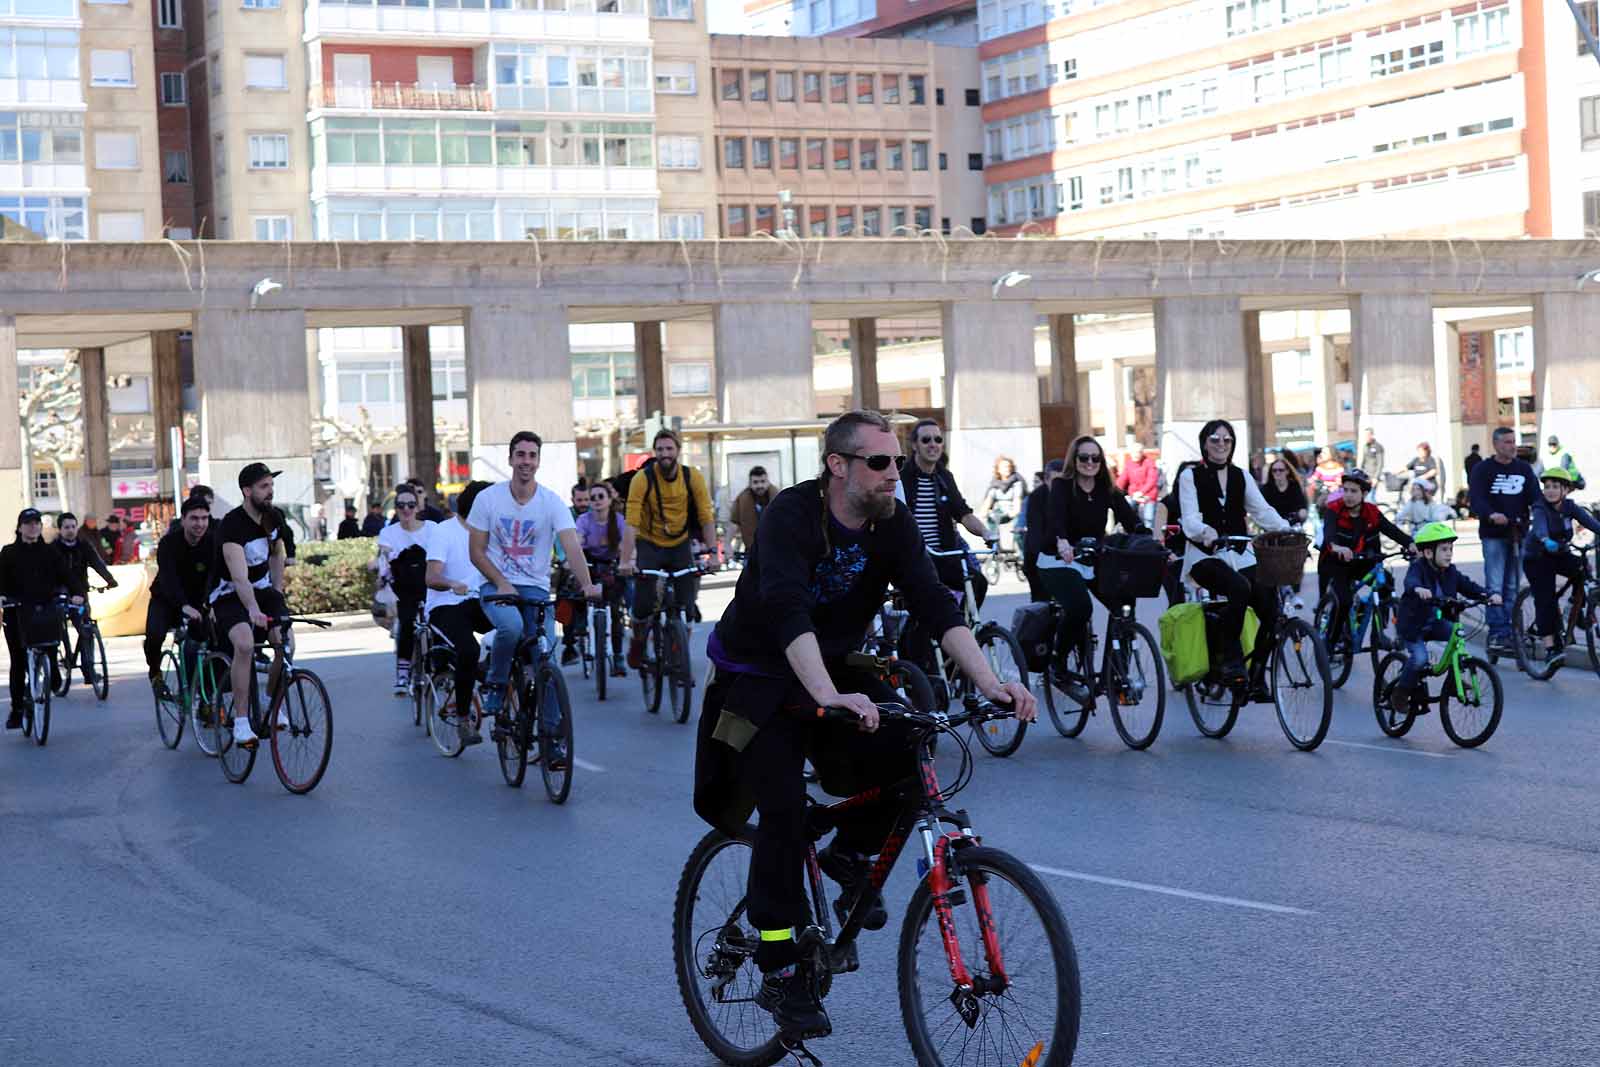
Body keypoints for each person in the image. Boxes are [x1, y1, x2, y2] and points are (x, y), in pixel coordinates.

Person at [693, 409, 1036, 1039]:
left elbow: (935, 601)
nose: (893, 475)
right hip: (761, 672)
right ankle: (779, 966)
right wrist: (827, 696)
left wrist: (993, 682)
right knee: (784, 811)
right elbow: (788, 610)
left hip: (834, 664)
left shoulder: (891, 522)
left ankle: (849, 856)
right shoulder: (792, 518)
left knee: (911, 748)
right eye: (880, 463)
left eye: (897, 463)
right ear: (838, 466)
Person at [467, 431, 600, 737]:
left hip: (536, 589)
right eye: (521, 455)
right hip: (494, 585)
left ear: (538, 461)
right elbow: (475, 552)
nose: (526, 461)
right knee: (511, 629)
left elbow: (572, 547)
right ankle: (496, 688)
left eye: (532, 455)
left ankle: (553, 741)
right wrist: (500, 581)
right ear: (510, 459)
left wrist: (587, 584)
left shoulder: (551, 502)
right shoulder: (488, 499)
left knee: (546, 660)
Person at [1177, 419, 1294, 693]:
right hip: (1204, 557)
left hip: (1240, 554)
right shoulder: (1189, 476)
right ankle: (1230, 659)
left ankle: (1257, 674)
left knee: (1271, 607)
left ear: (1233, 444)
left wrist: (1288, 530)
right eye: (1215, 439)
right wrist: (1205, 531)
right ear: (1204, 443)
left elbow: (1262, 511)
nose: (1221, 444)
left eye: (1227, 439)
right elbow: (1189, 519)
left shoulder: (1241, 475)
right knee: (1240, 588)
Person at [1036, 435, 1147, 704]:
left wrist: (1150, 543)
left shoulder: (1106, 488)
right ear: (1074, 460)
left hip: (1092, 559)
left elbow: (1130, 520)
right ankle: (1057, 664)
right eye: (1083, 457)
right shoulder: (1062, 486)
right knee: (1080, 608)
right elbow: (1056, 519)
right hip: (1058, 560)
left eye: (1095, 458)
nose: (1090, 463)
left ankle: (1117, 672)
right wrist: (1062, 541)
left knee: (1124, 605)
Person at [209, 463, 291, 749]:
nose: (270, 491)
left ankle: (270, 702)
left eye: (271, 485)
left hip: (262, 588)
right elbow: (239, 576)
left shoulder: (274, 517)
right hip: (229, 593)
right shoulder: (231, 525)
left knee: (286, 643)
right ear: (247, 491)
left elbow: (277, 553)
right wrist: (254, 609)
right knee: (244, 644)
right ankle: (242, 723)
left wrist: (277, 593)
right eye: (263, 486)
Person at [620, 428, 716, 670]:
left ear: (678, 451)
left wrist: (714, 553)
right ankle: (639, 641)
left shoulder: (691, 476)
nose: (664, 454)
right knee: (643, 603)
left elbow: (706, 516)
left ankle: (678, 654)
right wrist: (625, 560)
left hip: (679, 544)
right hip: (648, 542)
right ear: (655, 452)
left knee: (687, 601)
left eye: (669, 449)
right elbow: (631, 520)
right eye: (660, 449)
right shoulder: (642, 479)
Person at [1389, 522, 1498, 711]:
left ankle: (1455, 681)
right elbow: (1410, 581)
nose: (1449, 553)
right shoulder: (1418, 568)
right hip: (1413, 626)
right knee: (1420, 659)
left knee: (1456, 635)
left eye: (1450, 549)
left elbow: (1468, 586)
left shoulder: (1451, 571)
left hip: (1435, 623)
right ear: (1429, 553)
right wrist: (1418, 588)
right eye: (1444, 549)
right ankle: (1400, 693)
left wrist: (1487, 595)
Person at [424, 480, 494, 745]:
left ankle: (493, 679)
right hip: (446, 605)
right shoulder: (444, 532)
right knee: (468, 650)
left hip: (480, 601)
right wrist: (453, 584)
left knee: (515, 632)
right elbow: (431, 577)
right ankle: (464, 719)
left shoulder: (490, 533)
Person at [1314, 470, 1412, 651]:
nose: (1348, 495)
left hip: (1362, 561)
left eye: (1354, 491)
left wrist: (1411, 544)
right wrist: (1337, 548)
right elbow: (1329, 535)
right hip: (1337, 563)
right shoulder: (1333, 510)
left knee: (1386, 584)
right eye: (1346, 490)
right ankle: (1331, 642)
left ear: (1364, 494)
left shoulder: (1372, 512)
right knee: (1344, 600)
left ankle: (1378, 633)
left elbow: (1392, 531)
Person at [1468, 426, 1539, 656]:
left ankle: (1511, 631)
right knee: (1495, 585)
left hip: (1518, 533)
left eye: (1513, 441)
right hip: (1494, 536)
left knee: (1512, 586)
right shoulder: (1483, 470)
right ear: (1497, 445)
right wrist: (1491, 515)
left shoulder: (1524, 469)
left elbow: (1535, 498)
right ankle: (1497, 632)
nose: (1512, 446)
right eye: (1507, 442)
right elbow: (1476, 500)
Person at [1521, 467, 1600, 668]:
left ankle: (1576, 606)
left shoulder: (1570, 506)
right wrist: (1546, 539)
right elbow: (1539, 527)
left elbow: (1591, 523)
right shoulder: (1540, 506)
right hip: (1537, 557)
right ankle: (1550, 648)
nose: (1550, 490)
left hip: (1559, 553)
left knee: (1583, 568)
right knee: (1545, 599)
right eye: (1547, 486)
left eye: (1556, 486)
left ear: (1565, 490)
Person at [1, 508, 72, 728]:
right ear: (20, 527)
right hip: (17, 611)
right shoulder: (8, 552)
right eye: (28, 523)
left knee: (51, 641)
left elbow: (65, 574)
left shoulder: (50, 552)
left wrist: (76, 592)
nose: (33, 527)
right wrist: (3, 595)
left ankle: (53, 673)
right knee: (18, 660)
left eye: (36, 523)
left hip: (45, 608)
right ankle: (17, 709)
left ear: (41, 527)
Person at [144, 496, 213, 697]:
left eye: (204, 518)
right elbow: (168, 578)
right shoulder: (169, 543)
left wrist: (209, 603)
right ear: (183, 520)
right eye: (194, 518)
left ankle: (202, 695)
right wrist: (183, 605)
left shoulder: (212, 542)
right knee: (154, 635)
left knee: (205, 644)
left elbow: (214, 576)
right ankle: (155, 673)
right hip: (165, 599)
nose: (200, 524)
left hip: (197, 601)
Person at [376, 484, 437, 696]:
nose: (406, 509)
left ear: (418, 506)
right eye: (401, 505)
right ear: (396, 508)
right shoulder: (388, 533)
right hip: (404, 587)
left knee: (439, 624)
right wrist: (382, 575)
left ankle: (438, 667)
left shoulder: (432, 529)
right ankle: (403, 674)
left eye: (411, 505)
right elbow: (384, 559)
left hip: (431, 585)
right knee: (407, 625)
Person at [52, 511, 118, 688]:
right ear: (60, 529)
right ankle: (63, 655)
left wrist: (110, 580)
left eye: (73, 526)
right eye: (66, 527)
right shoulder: (53, 548)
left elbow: (97, 563)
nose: (70, 530)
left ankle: (88, 669)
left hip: (81, 592)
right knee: (57, 625)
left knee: (86, 628)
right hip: (60, 593)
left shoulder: (84, 545)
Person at [572, 481, 629, 678]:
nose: (596, 501)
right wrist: (572, 556)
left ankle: (619, 654)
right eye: (592, 497)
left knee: (615, 611)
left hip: (612, 565)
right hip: (590, 563)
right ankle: (578, 630)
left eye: (600, 497)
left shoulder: (619, 520)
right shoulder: (583, 520)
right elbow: (577, 541)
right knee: (573, 589)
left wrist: (626, 563)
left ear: (609, 500)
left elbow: (625, 546)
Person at [1260, 455, 1310, 610]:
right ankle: (1275, 592)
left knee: (1296, 558)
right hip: (1273, 529)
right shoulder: (1267, 488)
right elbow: (1261, 509)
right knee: (1271, 561)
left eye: (1281, 470)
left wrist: (1301, 514)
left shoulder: (1294, 486)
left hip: (1292, 527)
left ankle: (1295, 593)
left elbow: (1303, 507)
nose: (1278, 473)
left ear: (1287, 471)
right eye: (1274, 470)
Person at [1020, 459, 1063, 603]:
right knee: (1041, 603)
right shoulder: (1036, 497)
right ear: (1046, 480)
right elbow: (1035, 531)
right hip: (1038, 554)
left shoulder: (1071, 494)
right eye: (1056, 481)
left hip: (1066, 554)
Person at [978, 455, 1026, 547]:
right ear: (998, 469)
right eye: (1004, 467)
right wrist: (984, 512)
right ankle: (995, 550)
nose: (1007, 469)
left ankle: (1022, 556)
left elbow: (1017, 504)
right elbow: (988, 500)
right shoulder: (995, 483)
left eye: (1009, 467)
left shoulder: (1017, 482)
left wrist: (1011, 513)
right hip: (999, 512)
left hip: (1013, 512)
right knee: (991, 519)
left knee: (1018, 528)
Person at [732, 466, 777, 554]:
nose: (760, 485)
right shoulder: (742, 499)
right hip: (751, 550)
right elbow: (734, 523)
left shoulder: (778, 497)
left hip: (775, 548)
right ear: (750, 483)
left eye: (763, 481)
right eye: (755, 482)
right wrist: (727, 545)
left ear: (768, 482)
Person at [1116, 441, 1161, 528]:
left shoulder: (1149, 462)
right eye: (1134, 452)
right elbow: (1122, 479)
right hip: (1134, 495)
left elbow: (1152, 480)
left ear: (1142, 453)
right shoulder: (1128, 464)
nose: (1136, 454)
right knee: (1126, 510)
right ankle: (1130, 533)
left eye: (1138, 452)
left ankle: (1149, 536)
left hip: (1148, 495)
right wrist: (1114, 489)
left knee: (1149, 518)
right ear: (1130, 453)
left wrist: (1141, 492)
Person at [1359, 428, 1386, 498]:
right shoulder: (1365, 446)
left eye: (1368, 435)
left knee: (1370, 498)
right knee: (1364, 497)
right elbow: (1363, 461)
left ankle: (1373, 508)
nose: (1366, 437)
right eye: (1365, 435)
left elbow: (1380, 463)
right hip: (1364, 476)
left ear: (1372, 435)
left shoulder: (1378, 446)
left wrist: (1376, 478)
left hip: (1372, 476)